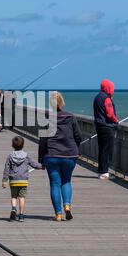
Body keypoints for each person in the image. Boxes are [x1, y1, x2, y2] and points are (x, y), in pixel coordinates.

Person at [38, 91, 82, 221]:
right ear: (61, 103)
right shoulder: (71, 117)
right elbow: (78, 136)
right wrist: (75, 147)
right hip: (69, 155)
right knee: (66, 181)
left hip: (52, 155)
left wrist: (41, 159)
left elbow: (43, 141)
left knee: (55, 184)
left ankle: (58, 214)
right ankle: (67, 206)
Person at [2, 136, 42, 222]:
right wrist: (42, 166)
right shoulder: (26, 156)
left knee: (14, 196)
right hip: (23, 180)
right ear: (23, 145)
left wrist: (4, 180)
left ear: (12, 145)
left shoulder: (10, 156)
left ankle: (13, 208)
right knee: (22, 197)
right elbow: (34, 164)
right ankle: (21, 215)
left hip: (13, 180)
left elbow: (6, 168)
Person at [93, 79, 118, 180]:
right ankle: (104, 172)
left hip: (99, 126)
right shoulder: (106, 98)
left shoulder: (97, 97)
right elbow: (110, 113)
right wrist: (116, 121)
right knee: (107, 150)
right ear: (109, 88)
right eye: (112, 88)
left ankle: (101, 171)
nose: (113, 91)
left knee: (102, 149)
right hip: (107, 127)